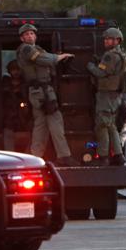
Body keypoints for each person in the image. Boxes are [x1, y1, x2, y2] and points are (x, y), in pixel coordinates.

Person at [16, 24, 79, 166]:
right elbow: (44, 60)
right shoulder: (26, 49)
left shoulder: (36, 49)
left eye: (32, 33)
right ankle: (64, 156)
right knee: (55, 121)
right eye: (26, 34)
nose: (30, 36)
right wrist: (60, 56)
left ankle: (34, 157)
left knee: (41, 125)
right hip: (42, 92)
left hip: (40, 92)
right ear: (22, 38)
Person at [86, 27, 126, 166]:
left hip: (106, 95)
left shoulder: (110, 56)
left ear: (117, 40)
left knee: (102, 126)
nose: (106, 41)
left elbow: (100, 73)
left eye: (109, 39)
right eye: (105, 38)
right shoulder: (123, 54)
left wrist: (90, 66)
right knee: (111, 126)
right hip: (115, 95)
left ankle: (103, 156)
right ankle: (118, 155)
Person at [2, 60, 30, 151]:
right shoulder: (5, 83)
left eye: (18, 69)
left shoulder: (26, 84)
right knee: (8, 133)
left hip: (24, 117)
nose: (16, 72)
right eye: (13, 69)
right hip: (9, 116)